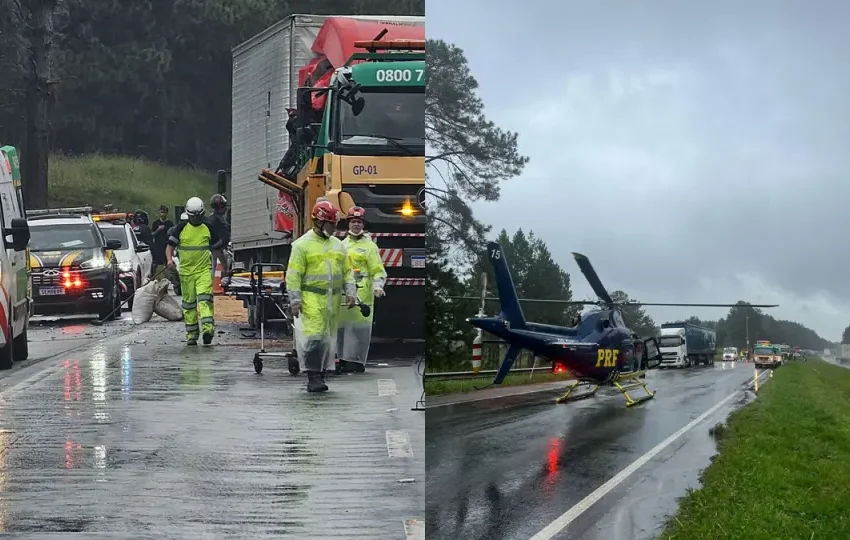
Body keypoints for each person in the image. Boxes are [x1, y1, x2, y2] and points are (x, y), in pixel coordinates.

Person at [286, 200, 356, 392]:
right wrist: (295, 300)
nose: (333, 228)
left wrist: (351, 293)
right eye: (330, 224)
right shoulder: (302, 246)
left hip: (332, 300)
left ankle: (321, 372)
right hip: (311, 298)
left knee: (327, 339)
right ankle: (313, 376)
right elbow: (293, 275)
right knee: (314, 337)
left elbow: (347, 271)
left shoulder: (338, 246)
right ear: (319, 222)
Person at [165, 197, 221, 346]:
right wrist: (169, 260)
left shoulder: (208, 227)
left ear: (202, 214)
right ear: (188, 215)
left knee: (204, 300)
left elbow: (217, 249)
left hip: (203, 271)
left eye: (198, 216)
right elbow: (170, 246)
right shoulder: (181, 228)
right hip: (186, 273)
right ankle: (192, 335)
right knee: (189, 305)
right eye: (193, 216)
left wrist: (225, 268)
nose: (195, 219)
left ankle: (208, 330)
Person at [336, 206, 386, 373]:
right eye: (353, 221)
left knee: (358, 330)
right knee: (343, 329)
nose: (356, 225)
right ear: (348, 224)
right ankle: (342, 358)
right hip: (345, 293)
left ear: (363, 224)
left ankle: (356, 361)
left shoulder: (370, 246)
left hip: (363, 292)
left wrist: (378, 286)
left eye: (359, 222)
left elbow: (377, 269)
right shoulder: (341, 245)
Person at [208, 194, 231, 286]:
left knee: (226, 266)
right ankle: (215, 286)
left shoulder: (221, 218)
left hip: (222, 247)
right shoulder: (213, 220)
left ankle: (222, 284)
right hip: (216, 249)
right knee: (215, 267)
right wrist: (218, 244)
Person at [150, 205, 176, 285]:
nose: (162, 214)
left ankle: (169, 280)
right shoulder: (156, 223)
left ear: (167, 213)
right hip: (158, 246)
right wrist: (158, 230)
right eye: (161, 212)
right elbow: (152, 234)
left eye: (164, 212)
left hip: (166, 246)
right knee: (155, 264)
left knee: (167, 264)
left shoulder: (170, 223)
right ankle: (152, 279)